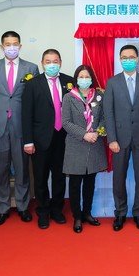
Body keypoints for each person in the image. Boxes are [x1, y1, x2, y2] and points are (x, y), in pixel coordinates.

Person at [0, 31, 39, 226]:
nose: (11, 47)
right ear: (2, 46)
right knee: (1, 169)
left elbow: (34, 98)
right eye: (8, 44)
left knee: (22, 169)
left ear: (20, 46)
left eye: (15, 44)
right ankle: (2, 208)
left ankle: (23, 207)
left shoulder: (31, 68)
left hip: (22, 127)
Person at [103, 44, 139, 231]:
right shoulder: (112, 82)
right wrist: (111, 138)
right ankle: (119, 213)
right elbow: (108, 113)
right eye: (124, 57)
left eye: (131, 57)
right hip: (119, 138)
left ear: (137, 59)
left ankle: (138, 214)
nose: (127, 60)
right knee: (118, 178)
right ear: (120, 60)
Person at [21, 49, 73, 229]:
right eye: (48, 61)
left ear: (61, 62)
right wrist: (28, 141)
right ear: (42, 63)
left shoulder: (69, 82)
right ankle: (43, 211)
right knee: (41, 178)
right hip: (40, 139)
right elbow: (26, 114)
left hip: (63, 139)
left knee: (59, 177)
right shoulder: (33, 84)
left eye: (55, 61)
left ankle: (57, 210)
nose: (52, 64)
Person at [61, 65, 107, 233]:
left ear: (91, 79)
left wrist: (97, 132)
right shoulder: (68, 97)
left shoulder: (99, 95)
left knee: (90, 182)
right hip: (76, 144)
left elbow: (105, 118)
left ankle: (87, 213)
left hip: (95, 144)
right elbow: (65, 122)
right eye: (81, 76)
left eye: (87, 76)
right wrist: (84, 134)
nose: (84, 79)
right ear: (76, 79)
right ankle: (77, 217)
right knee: (75, 184)